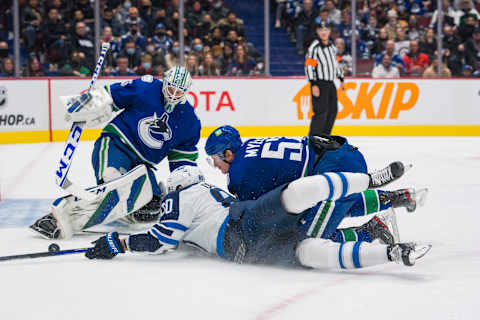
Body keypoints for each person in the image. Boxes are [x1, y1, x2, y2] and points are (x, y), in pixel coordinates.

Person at [85, 166, 432, 270]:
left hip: (239, 238)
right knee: (300, 213)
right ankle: (376, 195)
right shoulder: (206, 192)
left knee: (308, 247)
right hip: (244, 229)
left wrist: (118, 242)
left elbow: (161, 240)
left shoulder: (182, 195)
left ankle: (391, 250)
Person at [30, 66, 201, 239]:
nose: (172, 95)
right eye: (170, 88)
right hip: (116, 145)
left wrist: (184, 186)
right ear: (164, 81)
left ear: (186, 91)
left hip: (142, 166)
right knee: (115, 182)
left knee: (150, 210)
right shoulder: (147, 87)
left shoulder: (190, 121)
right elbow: (111, 96)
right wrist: (86, 104)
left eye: (178, 92)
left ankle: (148, 198)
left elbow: (182, 162)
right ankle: (54, 218)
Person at [305, 21, 345, 136]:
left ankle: (325, 136)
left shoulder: (332, 47)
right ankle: (313, 138)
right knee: (320, 111)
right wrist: (313, 84)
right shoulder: (314, 47)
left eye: (326, 30)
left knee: (333, 110)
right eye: (321, 30)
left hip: (330, 83)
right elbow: (309, 65)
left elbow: (336, 64)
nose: (324, 32)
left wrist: (341, 79)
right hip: (320, 83)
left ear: (329, 32)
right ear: (317, 32)